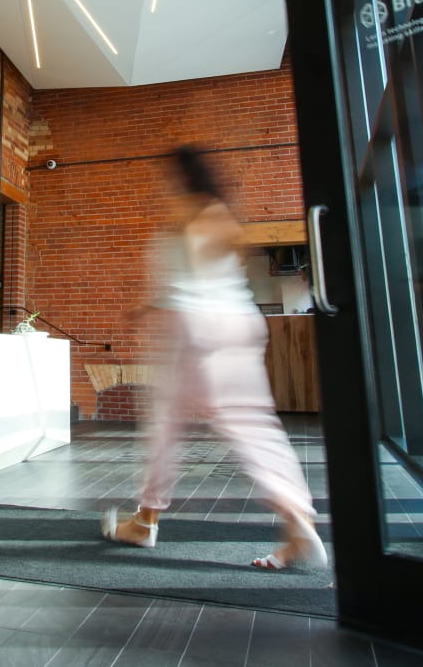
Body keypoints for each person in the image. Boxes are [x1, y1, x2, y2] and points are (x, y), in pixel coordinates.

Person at [100, 146, 327, 571]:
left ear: (180, 180)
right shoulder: (220, 213)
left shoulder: (185, 218)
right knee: (254, 428)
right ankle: (298, 522)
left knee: (164, 427)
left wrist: (151, 308)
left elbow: (183, 286)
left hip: (195, 331)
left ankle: (145, 521)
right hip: (240, 324)